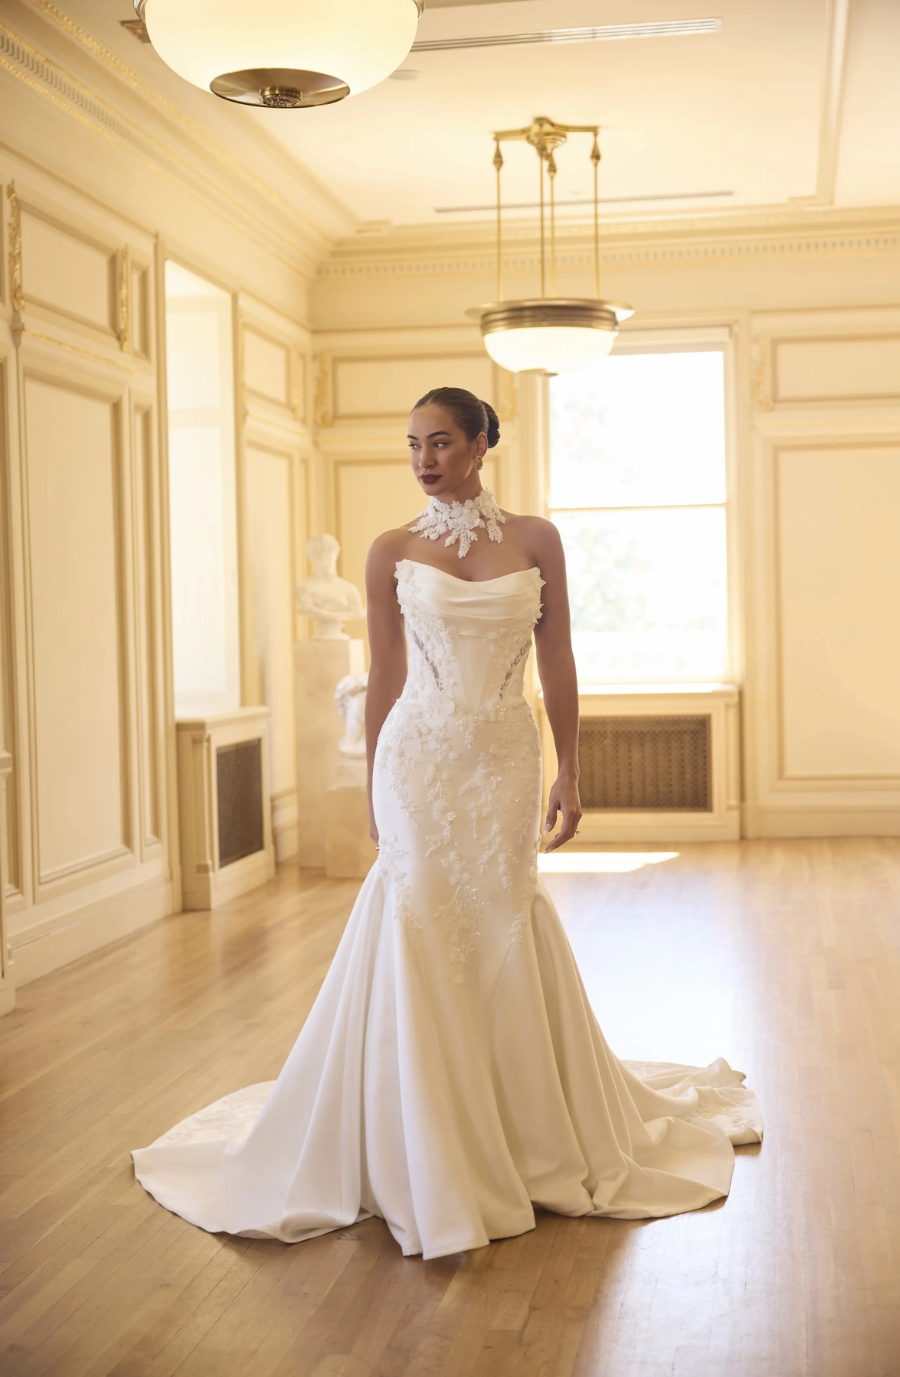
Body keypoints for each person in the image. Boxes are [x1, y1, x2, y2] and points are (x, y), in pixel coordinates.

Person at [132, 386, 761, 1260]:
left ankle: (519, 1126)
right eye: (413, 444)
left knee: (501, 916)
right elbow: (385, 673)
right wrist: (371, 777)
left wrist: (571, 768)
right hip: (417, 761)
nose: (424, 459)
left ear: (481, 445)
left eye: (440, 442)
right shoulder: (391, 550)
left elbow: (559, 654)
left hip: (505, 755)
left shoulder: (537, 539)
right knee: (419, 915)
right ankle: (421, 1143)